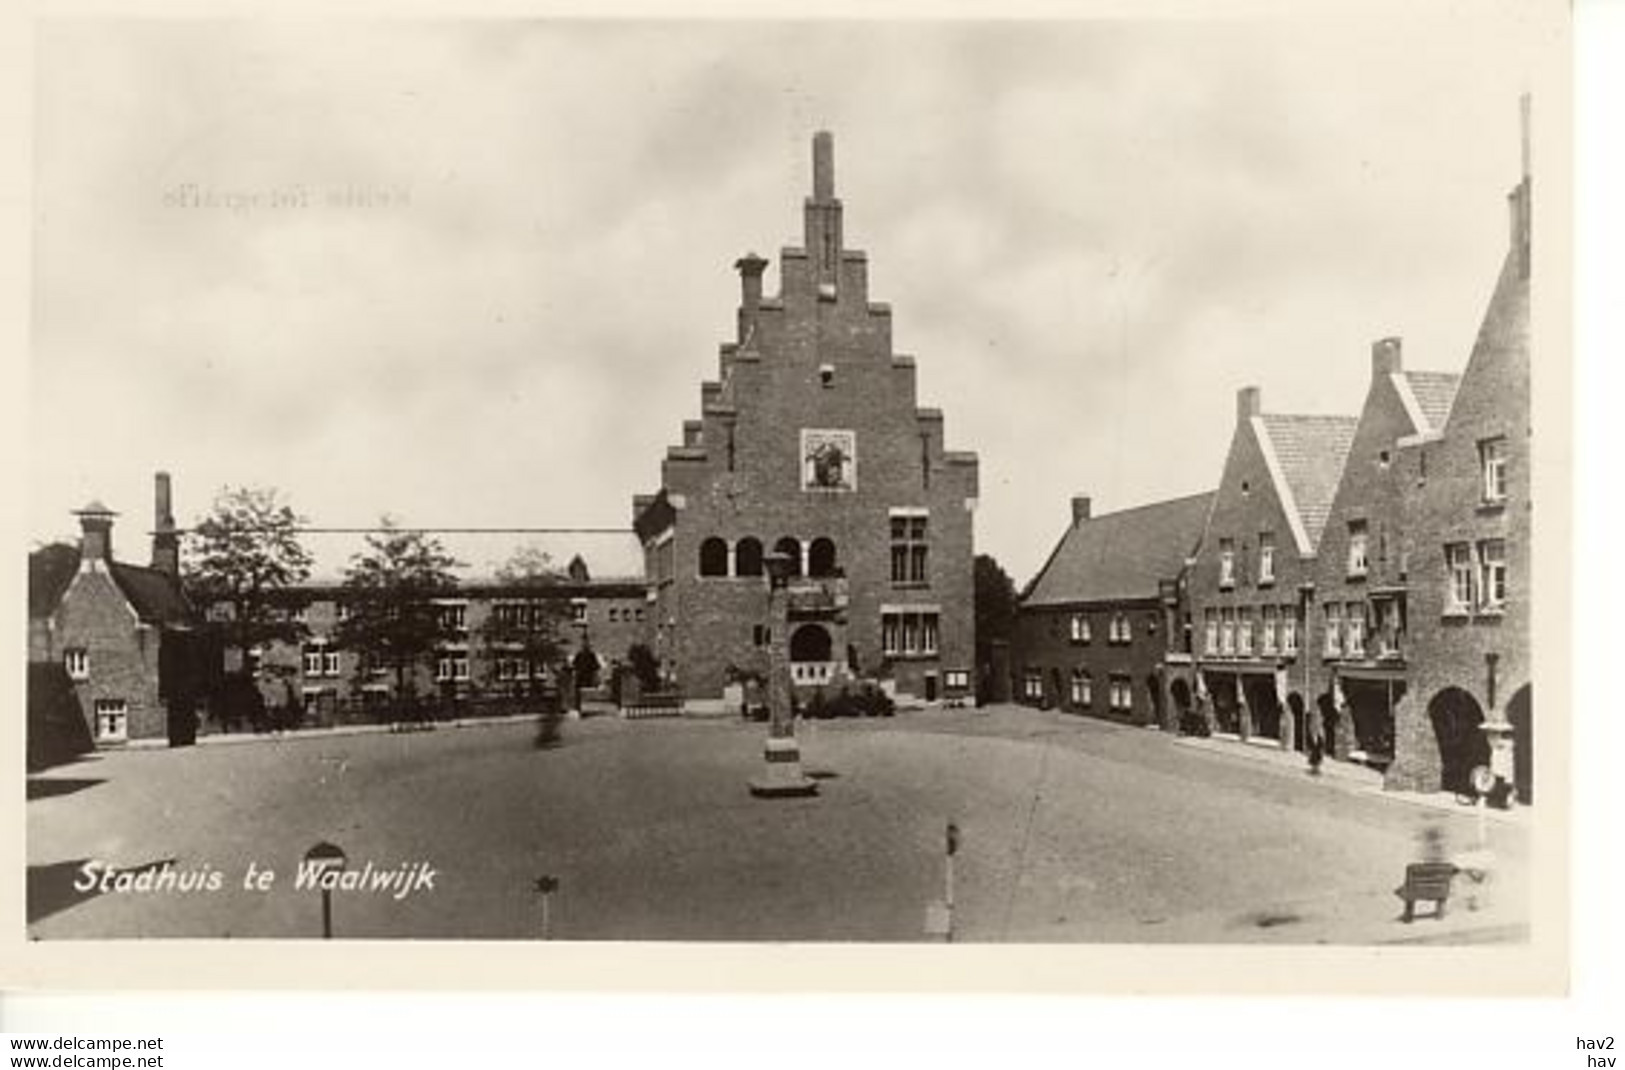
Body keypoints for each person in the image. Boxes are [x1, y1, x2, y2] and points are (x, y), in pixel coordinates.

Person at [1306, 699, 1326, 775]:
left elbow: (1319, 724)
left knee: (1318, 749)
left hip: (1318, 733)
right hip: (1316, 733)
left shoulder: (1317, 714)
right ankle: (1315, 767)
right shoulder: (1315, 714)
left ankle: (1316, 766)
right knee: (1316, 749)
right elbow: (1314, 725)